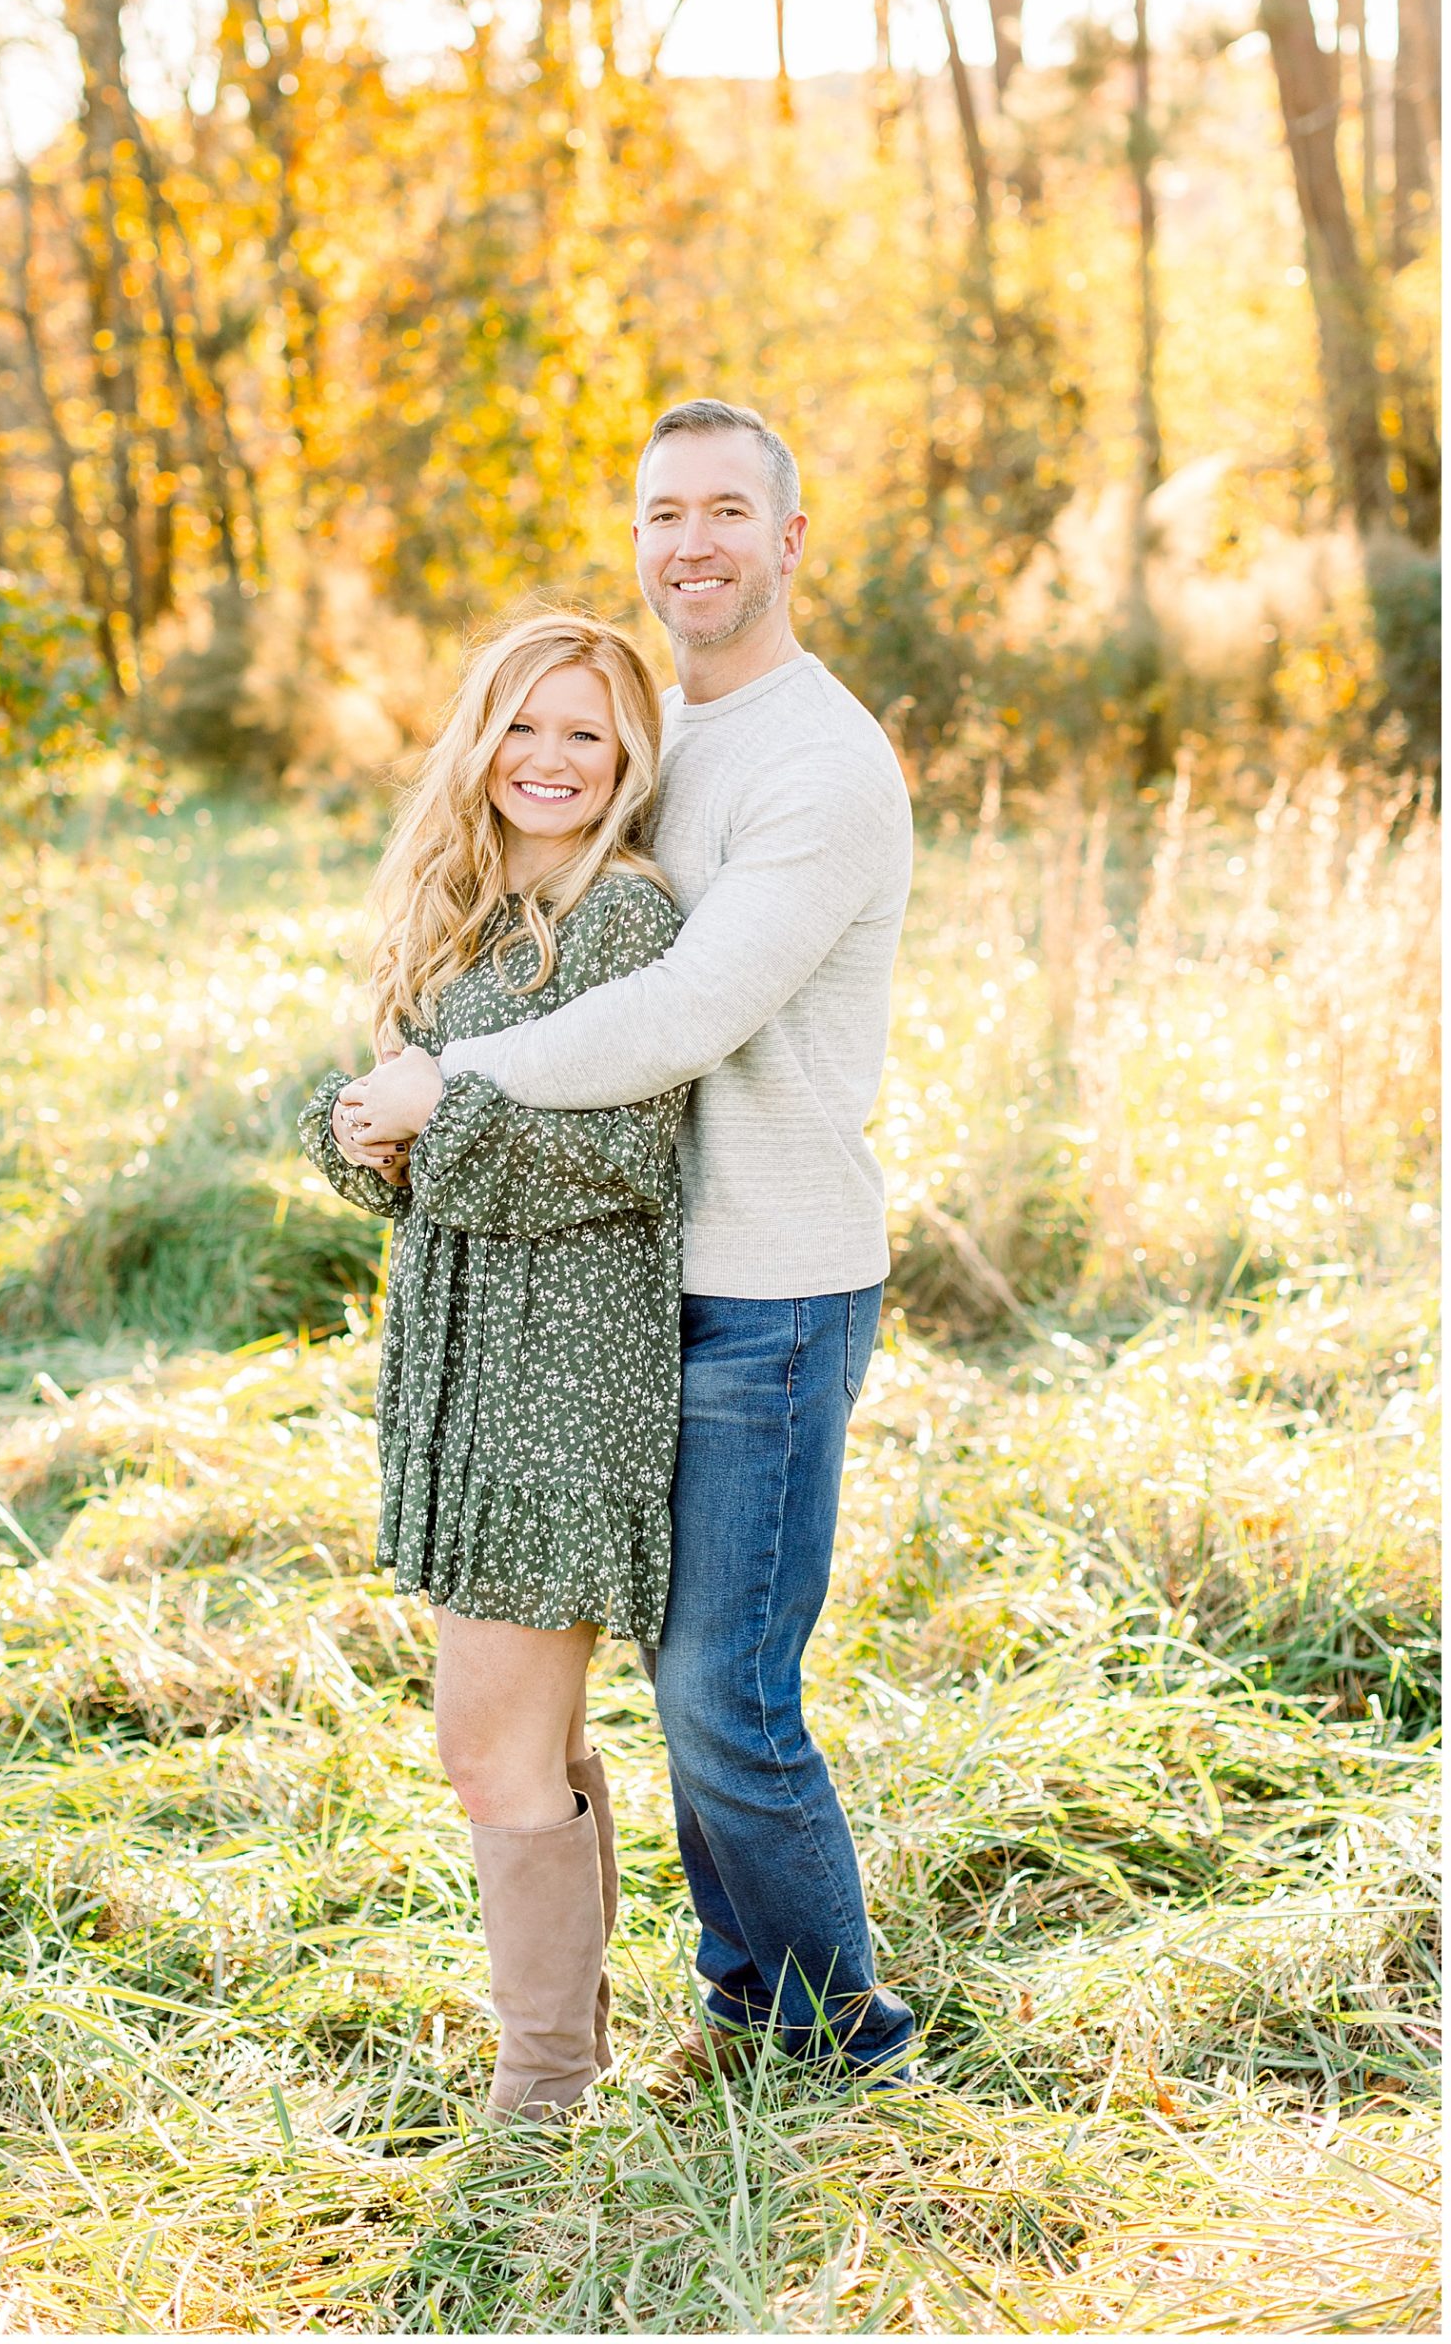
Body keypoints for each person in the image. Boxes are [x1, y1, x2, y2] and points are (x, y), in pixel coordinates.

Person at [354, 399, 918, 2085]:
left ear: (789, 539)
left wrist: (437, 1085)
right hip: (621, 1289)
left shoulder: (820, 761)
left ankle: (829, 2026)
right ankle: (730, 1985)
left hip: (769, 1282)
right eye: (664, 512)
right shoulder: (663, 729)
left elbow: (686, 1005)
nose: (693, 544)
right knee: (672, 1694)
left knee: (721, 1702)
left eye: (728, 511)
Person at [299, 609, 688, 2121]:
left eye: (582, 732)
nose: (548, 759)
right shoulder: (464, 905)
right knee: (532, 1738)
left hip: (565, 1362)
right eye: (522, 725)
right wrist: (358, 1126)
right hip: (462, 1350)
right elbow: (409, 1116)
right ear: (481, 739)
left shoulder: (628, 919)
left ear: (627, 756)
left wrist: (427, 1115)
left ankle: (539, 2094)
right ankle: (568, 2060)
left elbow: (625, 1156)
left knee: (485, 1747)